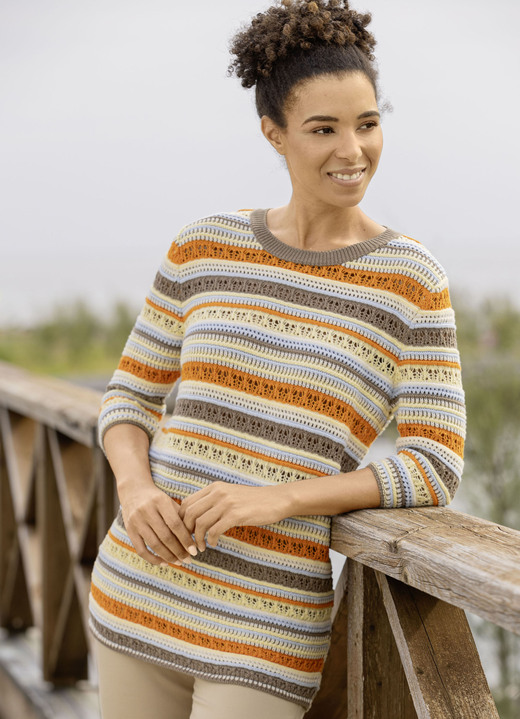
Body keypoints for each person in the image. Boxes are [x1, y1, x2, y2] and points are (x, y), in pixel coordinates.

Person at [89, 1, 466, 717]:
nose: (352, 151)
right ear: (274, 133)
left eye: (367, 123)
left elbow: (434, 462)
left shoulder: (412, 279)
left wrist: (280, 497)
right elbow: (128, 398)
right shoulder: (204, 245)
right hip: (138, 589)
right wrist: (135, 488)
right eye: (323, 129)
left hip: (267, 626)